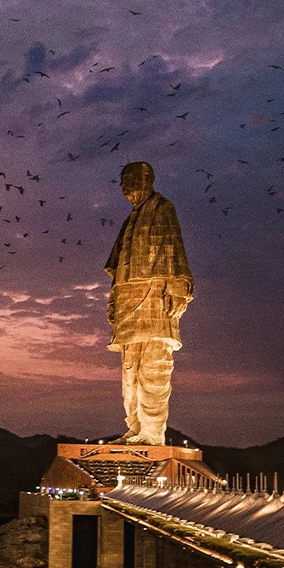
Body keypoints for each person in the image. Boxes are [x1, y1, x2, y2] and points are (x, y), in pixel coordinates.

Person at [105, 161, 193, 445]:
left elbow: (175, 248)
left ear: (145, 179)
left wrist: (179, 286)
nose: (123, 186)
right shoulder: (130, 219)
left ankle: (152, 432)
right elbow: (118, 264)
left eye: (127, 179)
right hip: (129, 299)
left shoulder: (163, 208)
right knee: (129, 371)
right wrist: (114, 299)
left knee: (154, 366)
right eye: (121, 181)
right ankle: (135, 426)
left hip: (155, 296)